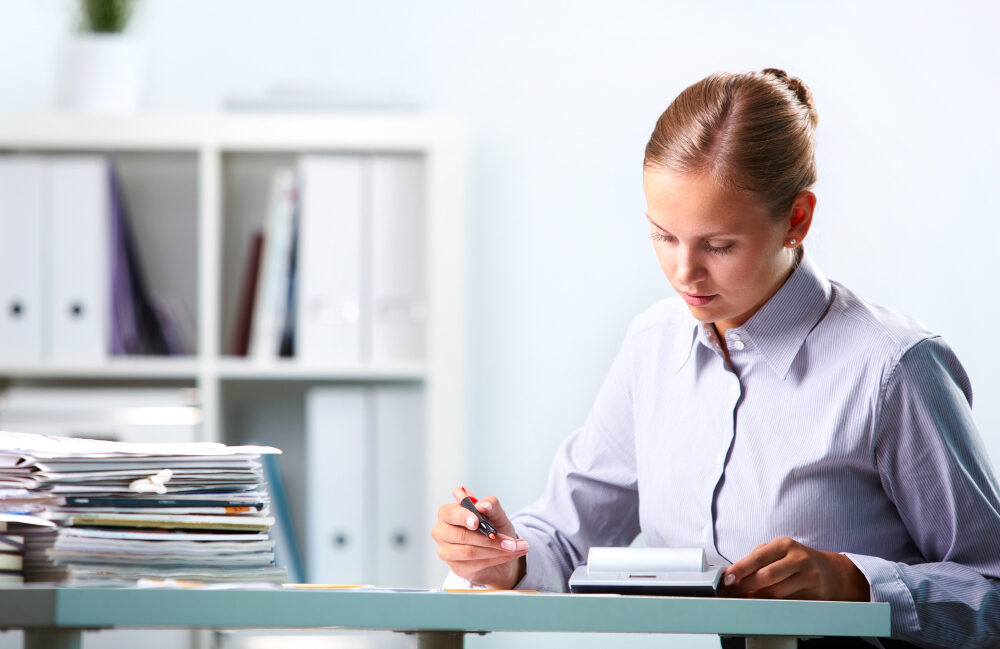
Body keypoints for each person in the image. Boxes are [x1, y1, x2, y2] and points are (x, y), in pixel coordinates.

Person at [431, 69, 1000, 648]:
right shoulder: (653, 345)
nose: (685, 273)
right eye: (663, 236)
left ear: (797, 220)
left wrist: (854, 582)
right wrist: (504, 560)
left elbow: (993, 593)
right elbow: (564, 537)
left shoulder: (894, 367)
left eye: (719, 245)